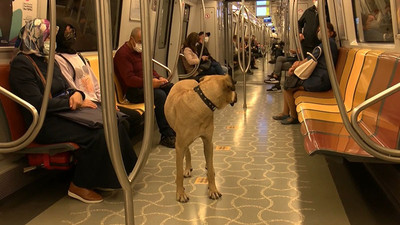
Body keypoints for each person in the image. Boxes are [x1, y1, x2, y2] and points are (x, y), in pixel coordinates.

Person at [9, 18, 137, 203]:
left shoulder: (46, 61)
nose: (50, 43)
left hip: (61, 112)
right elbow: (37, 103)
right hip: (43, 123)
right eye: (46, 38)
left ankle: (118, 173)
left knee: (114, 121)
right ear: (34, 38)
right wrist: (73, 102)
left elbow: (65, 86)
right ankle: (79, 185)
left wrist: (78, 95)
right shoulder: (22, 65)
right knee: (98, 133)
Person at [55, 20, 143, 138]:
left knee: (135, 118)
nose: (71, 36)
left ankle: (118, 149)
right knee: (123, 123)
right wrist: (85, 101)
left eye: (72, 32)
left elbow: (95, 83)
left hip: (97, 101)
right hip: (86, 103)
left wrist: (107, 102)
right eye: (67, 33)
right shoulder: (59, 60)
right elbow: (71, 87)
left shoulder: (78, 56)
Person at [114, 27, 176, 148]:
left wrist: (159, 78)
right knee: (159, 95)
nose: (141, 45)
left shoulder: (140, 53)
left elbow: (149, 69)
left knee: (171, 88)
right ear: (132, 40)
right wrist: (149, 83)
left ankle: (173, 127)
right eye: (139, 41)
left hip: (144, 85)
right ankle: (166, 135)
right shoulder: (122, 54)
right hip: (132, 91)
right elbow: (129, 79)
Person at [272, 23, 338, 125]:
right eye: (319, 31)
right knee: (288, 84)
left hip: (321, 80)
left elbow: (311, 58)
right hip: (319, 76)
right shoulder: (328, 43)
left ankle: (293, 116)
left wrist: (296, 66)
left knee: (288, 87)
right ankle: (285, 112)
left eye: (323, 30)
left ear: (331, 33)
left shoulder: (328, 43)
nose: (320, 33)